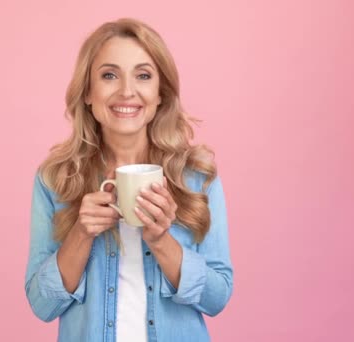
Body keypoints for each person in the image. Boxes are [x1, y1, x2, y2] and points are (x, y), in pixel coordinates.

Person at [25, 18, 233, 342]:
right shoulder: (56, 179)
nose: (126, 91)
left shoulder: (197, 178)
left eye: (143, 75)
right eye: (109, 75)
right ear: (88, 93)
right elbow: (42, 304)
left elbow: (217, 297)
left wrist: (161, 240)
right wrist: (81, 234)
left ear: (160, 94)